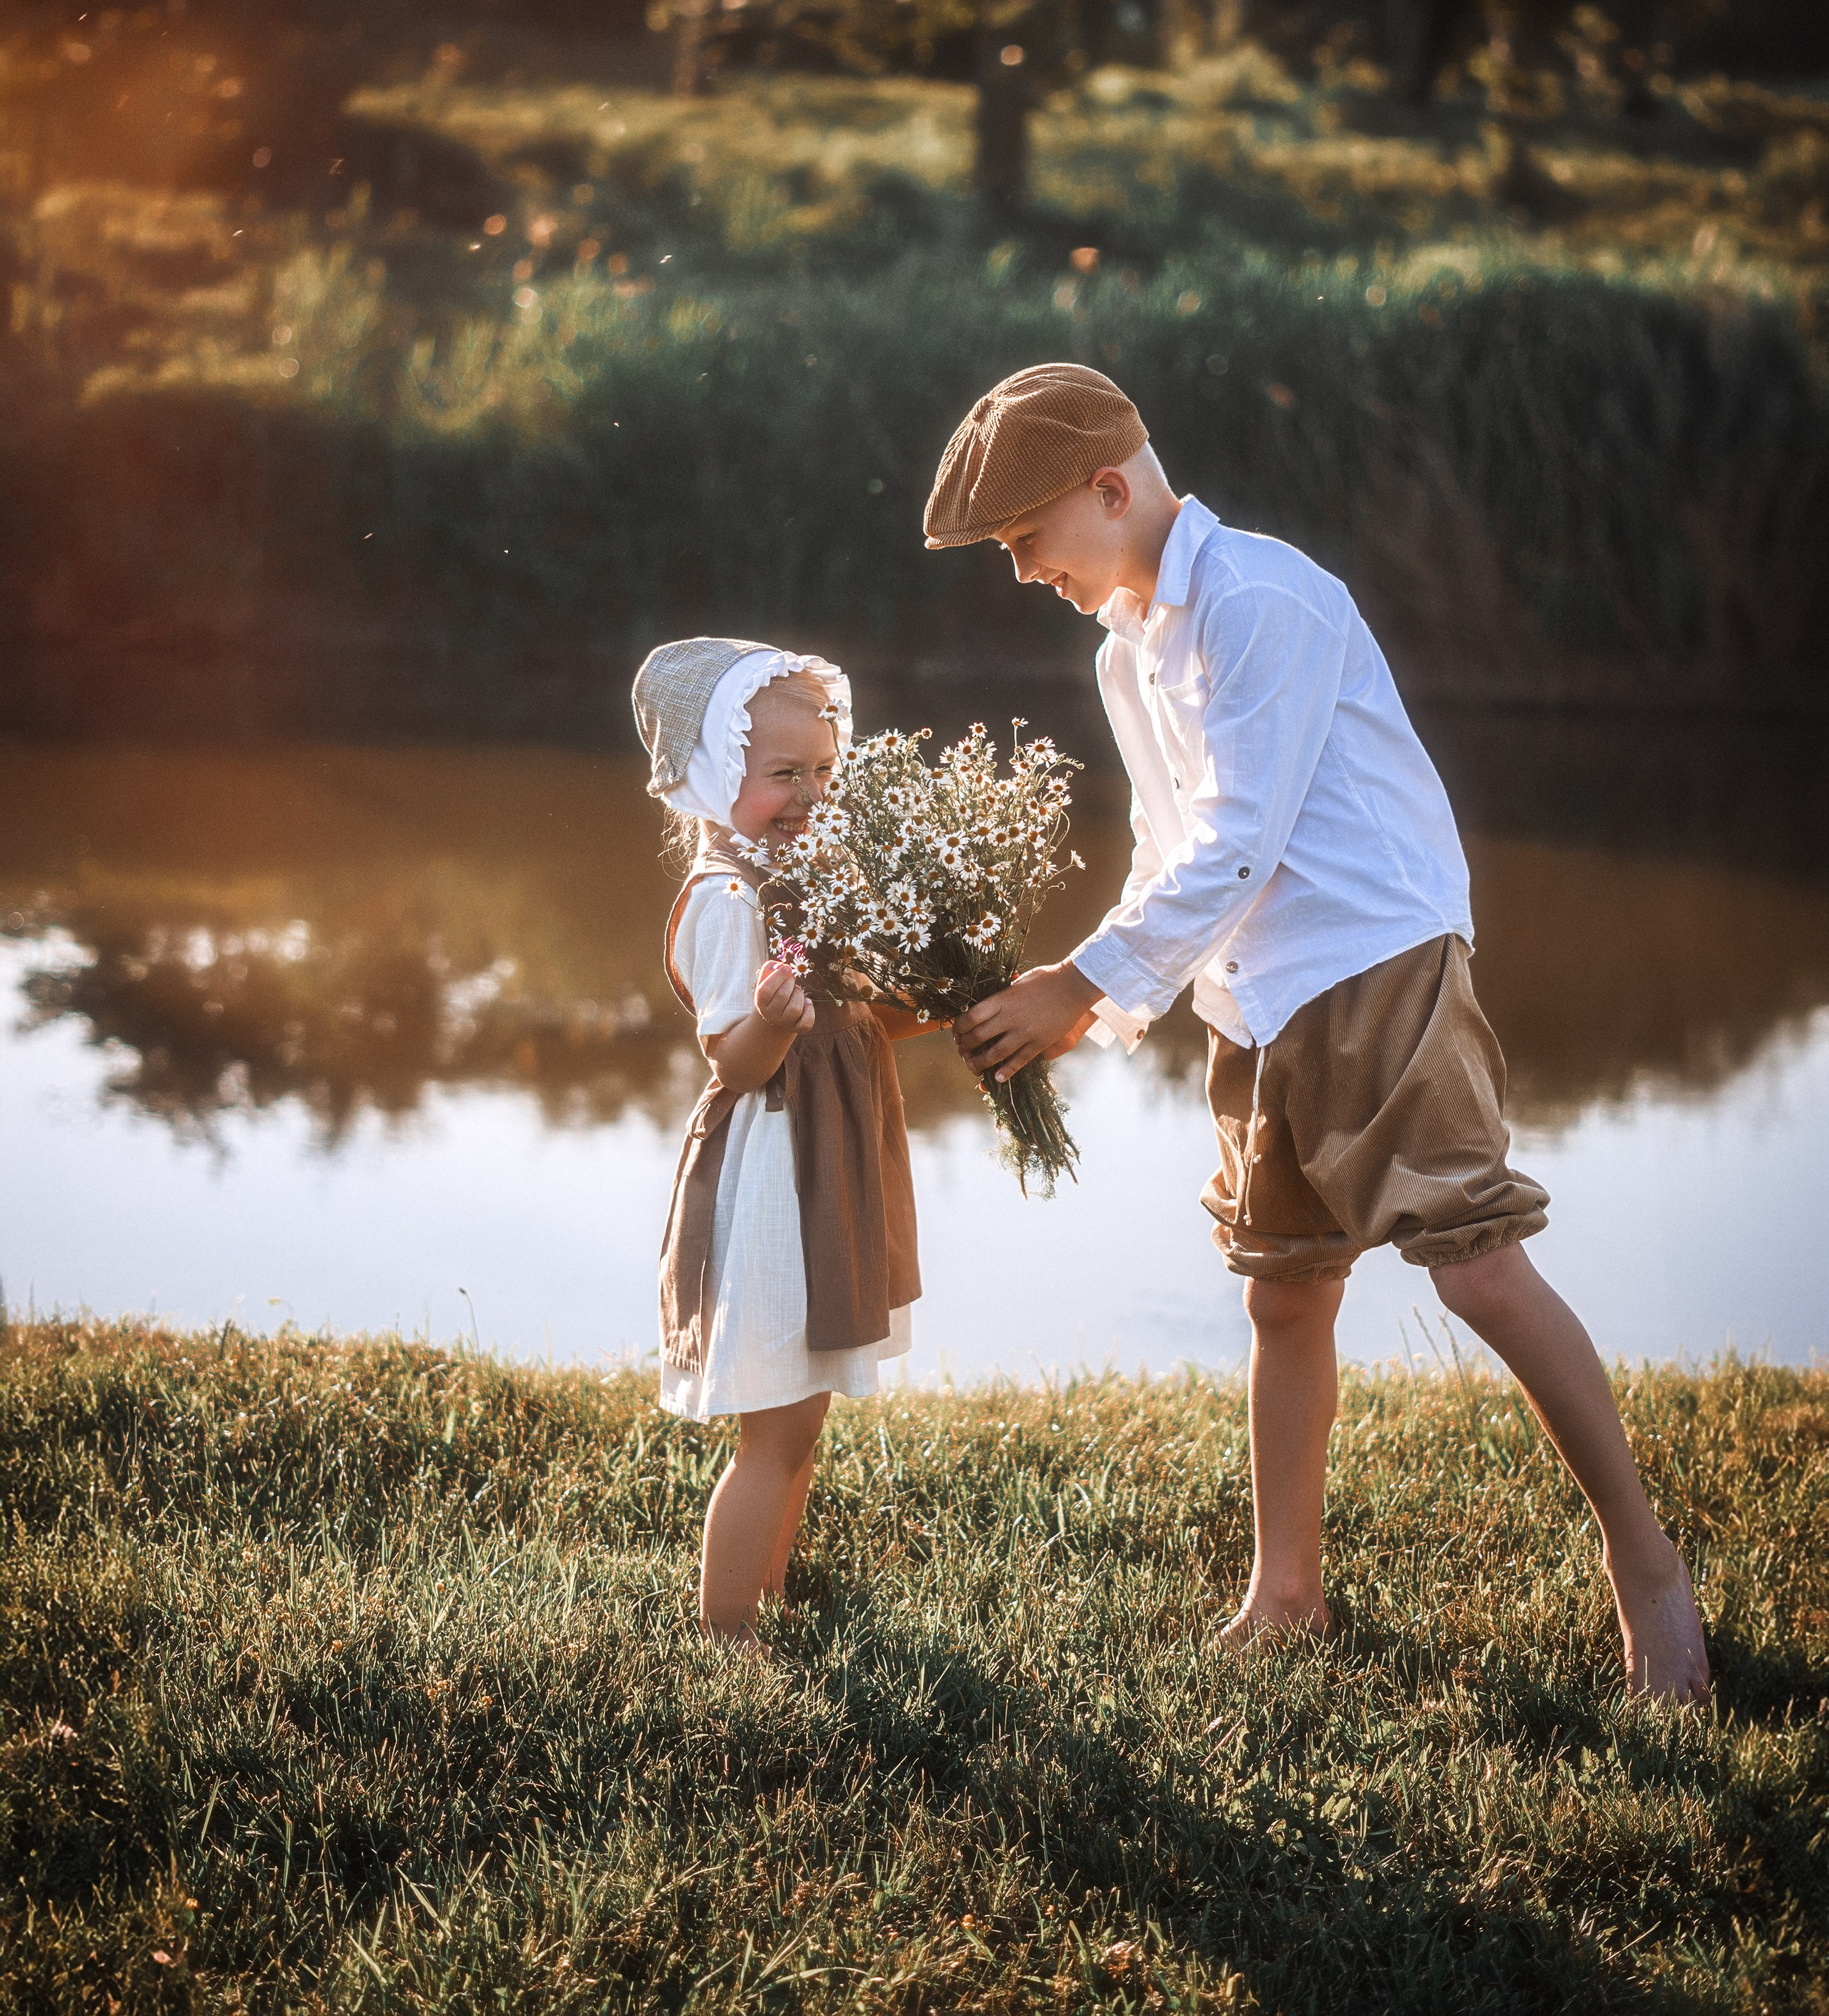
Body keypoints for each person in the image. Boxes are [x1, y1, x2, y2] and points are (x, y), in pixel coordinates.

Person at [927, 363, 1711, 1705]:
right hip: (1258, 995)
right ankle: (1286, 1591)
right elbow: (1169, 845)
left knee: (1475, 1269)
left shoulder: (1263, 601)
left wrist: (1081, 976)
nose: (1018, 572)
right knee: (1284, 1291)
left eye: (1023, 539)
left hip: (1375, 959)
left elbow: (1245, 838)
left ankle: (1646, 1568)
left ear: (1110, 490)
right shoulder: (1127, 643)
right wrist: (1104, 995)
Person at [632, 636, 929, 1649]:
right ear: (720, 780)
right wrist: (772, 1016)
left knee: (803, 1416)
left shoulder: (813, 878)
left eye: (823, 773)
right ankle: (726, 1629)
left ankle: (768, 1589)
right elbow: (733, 1061)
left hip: (825, 1165)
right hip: (771, 1173)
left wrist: (952, 987)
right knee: (774, 1419)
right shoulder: (729, 899)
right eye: (782, 775)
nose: (808, 795)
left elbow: (861, 1014)